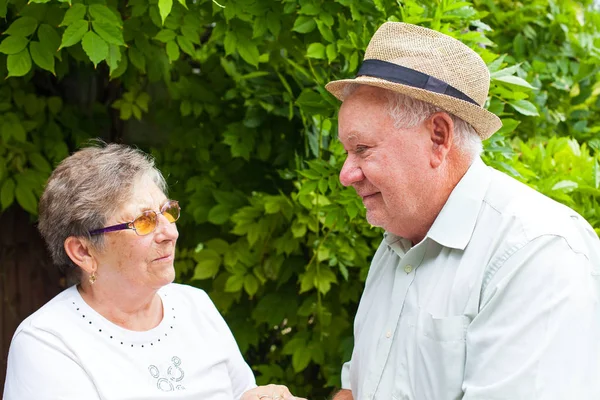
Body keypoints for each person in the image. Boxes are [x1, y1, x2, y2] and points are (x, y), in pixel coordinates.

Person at [326, 22, 600, 400]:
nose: (346, 174)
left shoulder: (536, 250)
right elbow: (360, 389)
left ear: (439, 137)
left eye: (362, 149)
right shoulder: (397, 245)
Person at [3, 143, 303, 400]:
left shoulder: (194, 305)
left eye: (168, 211)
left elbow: (243, 393)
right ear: (84, 252)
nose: (169, 232)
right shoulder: (48, 342)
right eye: (144, 222)